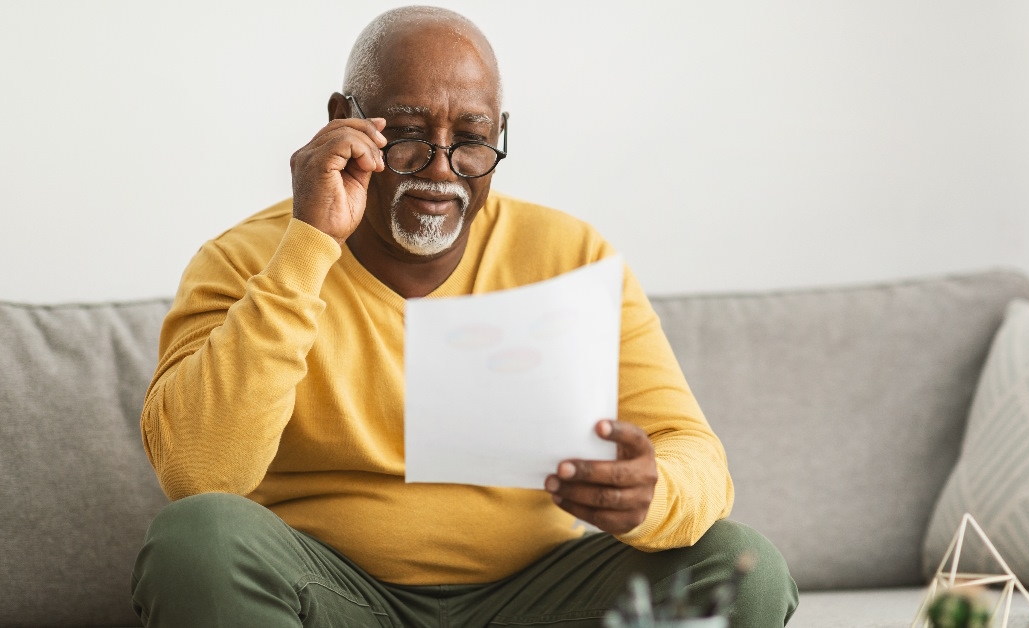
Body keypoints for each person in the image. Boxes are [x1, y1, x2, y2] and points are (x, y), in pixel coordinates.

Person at [131, 6, 799, 627]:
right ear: (345, 120)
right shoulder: (246, 259)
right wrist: (310, 246)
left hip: (536, 596)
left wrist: (653, 495)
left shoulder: (571, 255)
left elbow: (696, 453)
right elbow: (198, 477)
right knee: (198, 541)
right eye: (411, 134)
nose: (441, 171)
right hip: (332, 596)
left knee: (743, 570)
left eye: (472, 139)